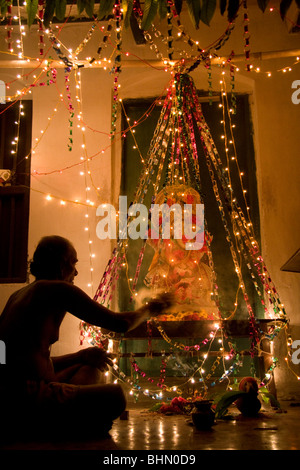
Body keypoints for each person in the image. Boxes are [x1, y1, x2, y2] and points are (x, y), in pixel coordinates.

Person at [0, 235, 172, 441]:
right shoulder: (56, 289)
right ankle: (56, 425)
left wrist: (81, 356)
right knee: (115, 396)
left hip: (14, 392)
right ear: (61, 265)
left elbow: (28, 360)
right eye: (74, 264)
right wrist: (151, 309)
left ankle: (70, 418)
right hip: (25, 398)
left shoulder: (18, 295)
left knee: (91, 366)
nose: (76, 272)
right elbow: (120, 324)